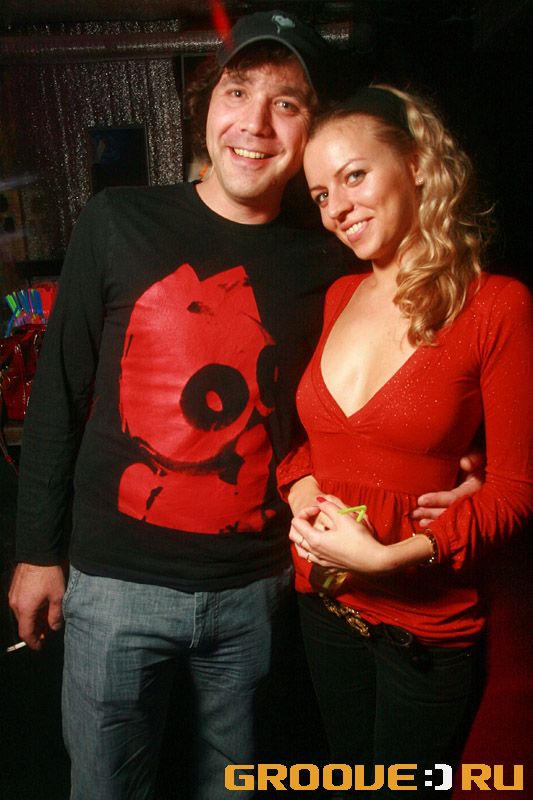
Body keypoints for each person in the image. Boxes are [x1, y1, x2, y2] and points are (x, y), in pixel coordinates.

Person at [7, 12, 479, 798]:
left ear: (310, 131)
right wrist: (35, 552)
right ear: (208, 105)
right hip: (115, 583)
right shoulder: (118, 220)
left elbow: (400, 364)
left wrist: (462, 457)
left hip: (256, 592)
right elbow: (56, 393)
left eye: (285, 103)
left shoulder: (331, 252)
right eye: (237, 92)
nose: (254, 123)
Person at [277, 85, 533, 797]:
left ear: (417, 163)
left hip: (423, 629)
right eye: (320, 194)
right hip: (324, 604)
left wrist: (391, 556)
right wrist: (301, 489)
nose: (336, 208)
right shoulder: (339, 296)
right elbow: (317, 442)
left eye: (354, 176)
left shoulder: (496, 306)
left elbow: (516, 492)